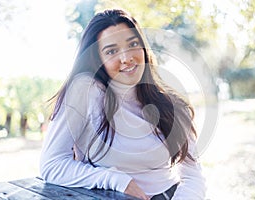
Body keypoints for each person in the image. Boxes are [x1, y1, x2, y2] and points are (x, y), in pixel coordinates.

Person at [40, 9, 206, 200]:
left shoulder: (171, 103)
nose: (126, 58)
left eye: (132, 44)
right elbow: (52, 164)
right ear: (97, 59)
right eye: (111, 51)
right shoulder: (85, 92)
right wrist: (118, 180)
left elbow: (193, 176)